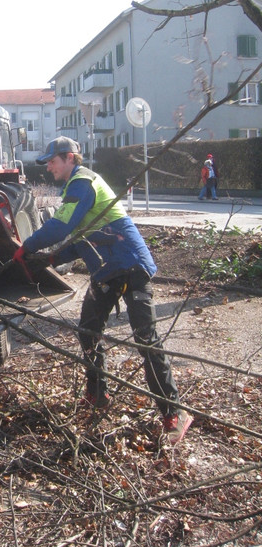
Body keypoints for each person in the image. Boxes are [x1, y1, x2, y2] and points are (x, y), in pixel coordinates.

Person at [12, 136, 192, 445]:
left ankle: (175, 412)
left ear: (70, 157)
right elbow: (85, 238)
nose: (49, 167)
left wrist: (26, 246)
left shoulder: (82, 183)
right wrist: (53, 258)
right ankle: (98, 394)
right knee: (88, 330)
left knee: (146, 339)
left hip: (129, 263)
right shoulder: (76, 187)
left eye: (52, 161)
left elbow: (60, 228)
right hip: (107, 269)